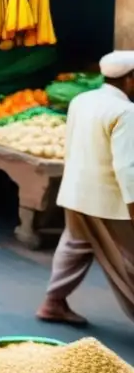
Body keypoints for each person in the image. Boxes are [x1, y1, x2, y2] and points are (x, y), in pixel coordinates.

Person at [37, 51, 134, 326]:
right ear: (129, 79)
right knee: (128, 257)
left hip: (77, 191)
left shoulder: (82, 100)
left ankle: (53, 303)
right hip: (109, 201)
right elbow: (128, 168)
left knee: (75, 245)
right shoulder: (125, 112)